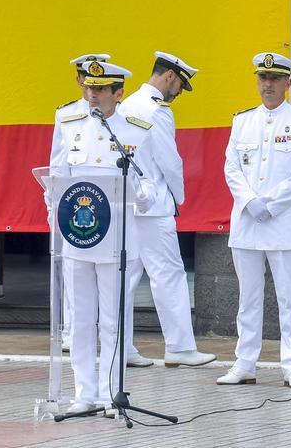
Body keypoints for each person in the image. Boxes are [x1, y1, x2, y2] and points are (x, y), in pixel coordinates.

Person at [53, 59, 156, 414]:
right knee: (80, 319)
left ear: (119, 93)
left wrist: (143, 195)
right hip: (77, 238)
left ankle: (113, 392)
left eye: (100, 89)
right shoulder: (67, 124)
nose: (92, 95)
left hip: (117, 240)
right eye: (89, 88)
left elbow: (152, 182)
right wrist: (55, 212)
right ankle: (84, 393)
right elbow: (56, 176)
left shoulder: (137, 129)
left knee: (112, 319)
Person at [217, 53, 291, 389]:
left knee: (289, 299)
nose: (268, 85)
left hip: (284, 223)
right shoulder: (243, 121)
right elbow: (231, 167)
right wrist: (249, 202)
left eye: (275, 79)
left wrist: (270, 206)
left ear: (288, 83)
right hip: (246, 221)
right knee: (247, 298)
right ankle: (245, 363)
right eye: (263, 78)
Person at [119, 52, 216, 368]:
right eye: (179, 86)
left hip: (128, 201)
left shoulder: (127, 103)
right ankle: (180, 347)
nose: (177, 94)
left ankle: (122, 348)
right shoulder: (158, 111)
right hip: (155, 203)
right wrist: (180, 197)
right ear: (170, 77)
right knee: (169, 274)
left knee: (124, 277)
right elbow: (169, 161)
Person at [49, 53, 109, 353]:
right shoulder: (67, 116)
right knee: (72, 275)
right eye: (86, 81)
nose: (91, 88)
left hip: (109, 213)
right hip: (75, 211)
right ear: (79, 81)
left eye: (98, 83)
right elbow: (58, 165)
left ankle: (112, 337)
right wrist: (54, 204)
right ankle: (73, 332)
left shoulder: (117, 119)